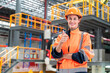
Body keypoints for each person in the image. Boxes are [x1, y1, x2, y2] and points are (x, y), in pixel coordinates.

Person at [51, 7, 94, 73]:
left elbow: (83, 56)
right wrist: (61, 42)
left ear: (78, 20)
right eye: (70, 19)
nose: (72, 21)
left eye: (74, 19)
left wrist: (64, 56)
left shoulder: (85, 36)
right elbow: (55, 55)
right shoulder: (60, 37)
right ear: (67, 20)